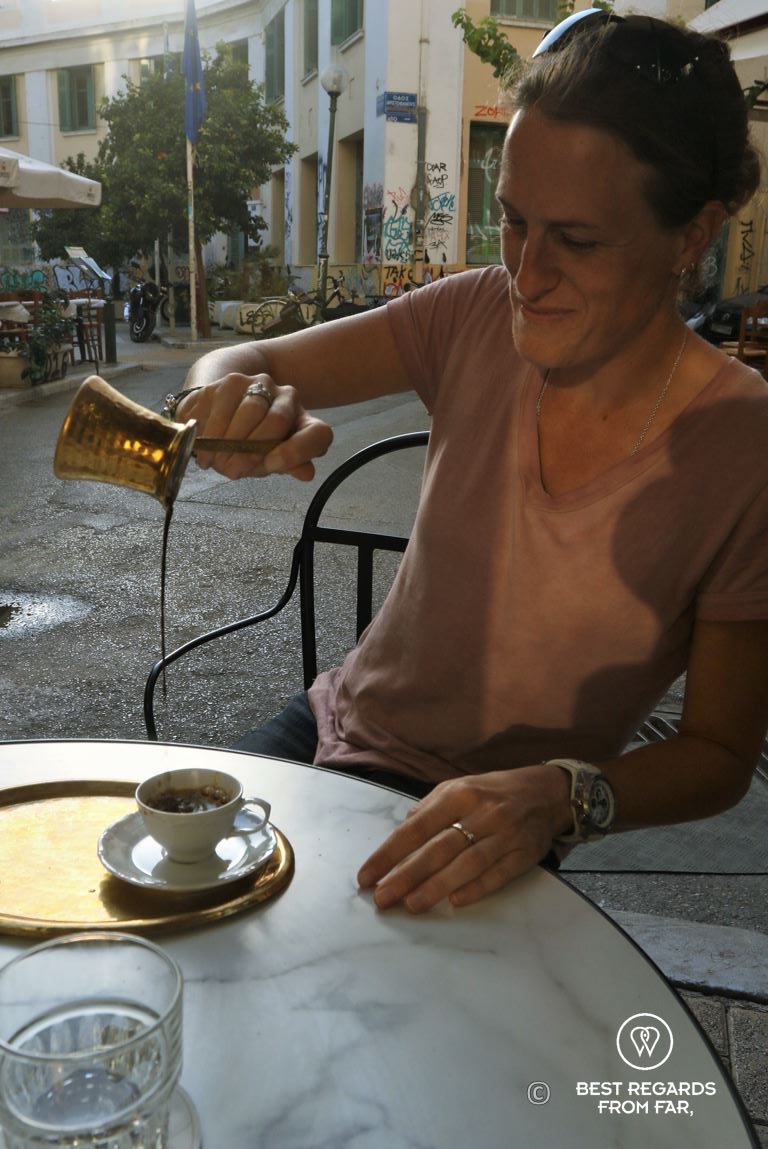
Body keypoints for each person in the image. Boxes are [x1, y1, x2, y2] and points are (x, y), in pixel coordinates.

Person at [171, 11, 768, 915]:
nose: (526, 275)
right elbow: (245, 361)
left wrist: (567, 794)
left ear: (693, 235)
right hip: (330, 727)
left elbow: (722, 754)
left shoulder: (742, 445)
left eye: (577, 239)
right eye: (512, 220)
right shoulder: (473, 314)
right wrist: (223, 400)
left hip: (497, 819)